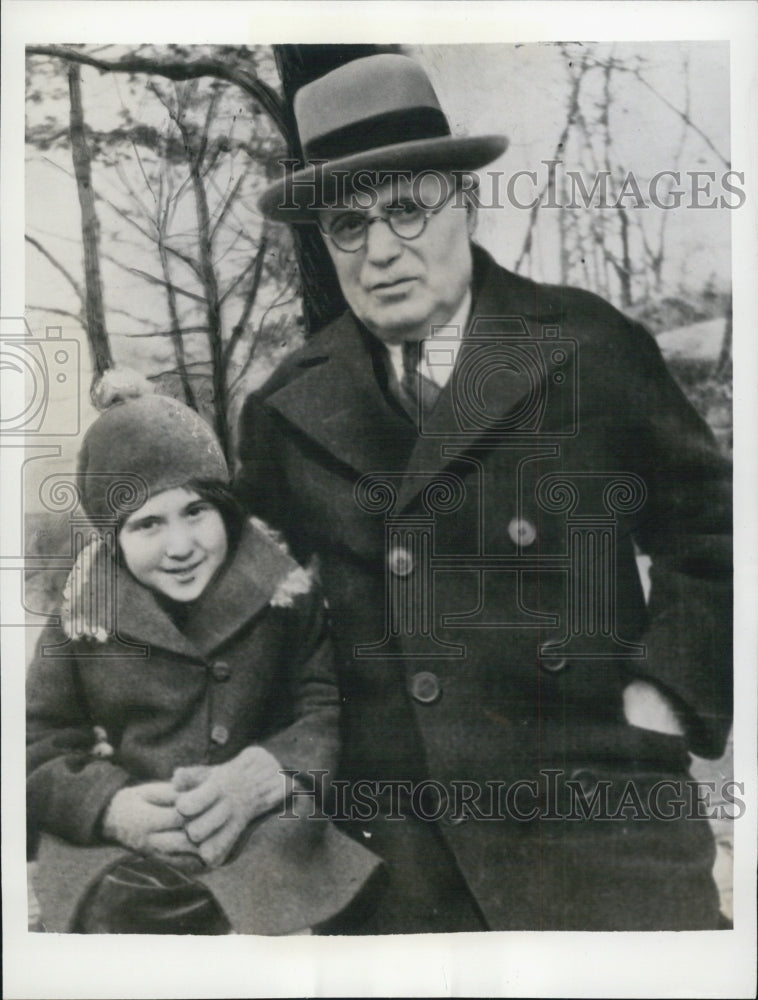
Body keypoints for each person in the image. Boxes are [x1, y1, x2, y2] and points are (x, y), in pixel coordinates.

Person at [237, 54, 732, 932]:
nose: (381, 248)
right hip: (398, 867)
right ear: (321, 240)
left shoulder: (586, 345)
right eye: (348, 224)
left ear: (465, 202)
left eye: (407, 208)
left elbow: (720, 535)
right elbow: (245, 610)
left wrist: (665, 700)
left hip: (601, 833)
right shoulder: (285, 410)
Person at [26, 372, 383, 935]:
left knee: (298, 918)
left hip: (266, 831)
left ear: (226, 509)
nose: (180, 546)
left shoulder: (283, 591)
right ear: (112, 540)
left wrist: (271, 773)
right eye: (147, 524)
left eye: (196, 512)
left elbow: (323, 706)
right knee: (121, 915)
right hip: (129, 851)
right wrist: (109, 808)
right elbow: (37, 743)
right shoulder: (83, 613)